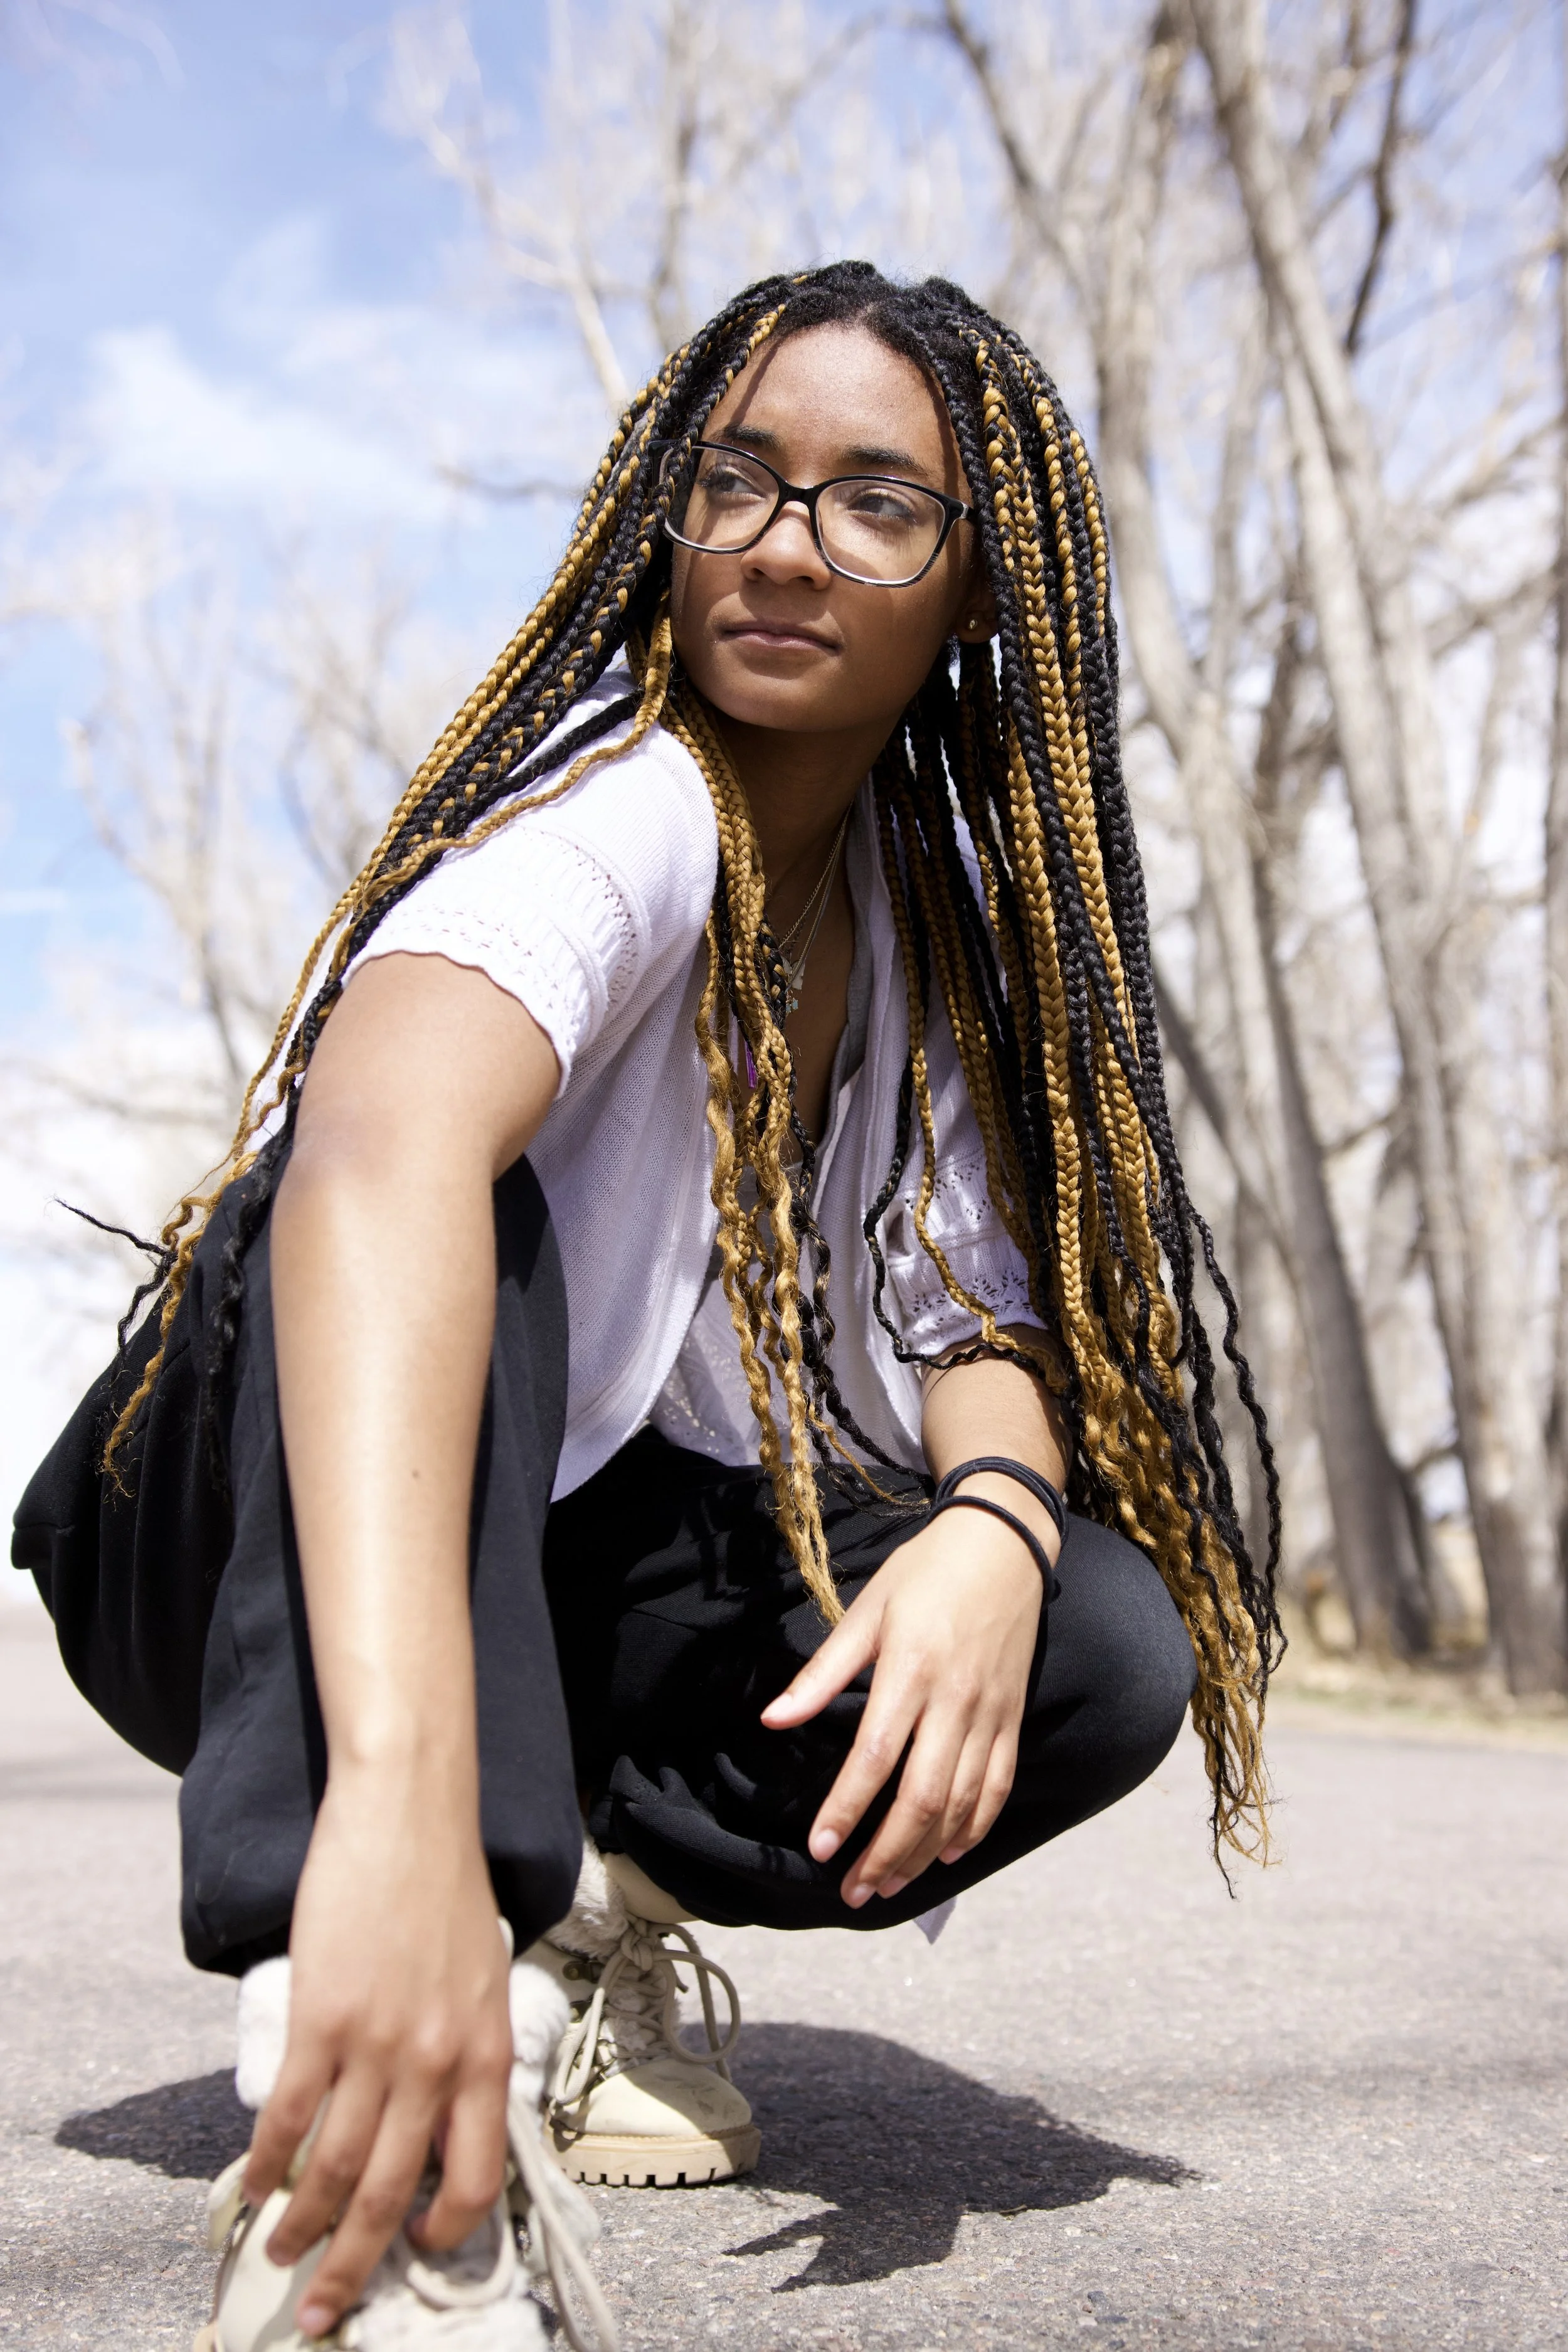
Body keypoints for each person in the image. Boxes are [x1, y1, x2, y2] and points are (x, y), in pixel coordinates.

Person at [14, 261, 1281, 2352]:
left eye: (878, 499)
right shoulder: (617, 811)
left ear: (976, 594)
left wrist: (989, 1522)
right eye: (741, 480)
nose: (788, 539)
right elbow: (376, 1158)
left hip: (569, 1552)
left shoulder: (924, 930)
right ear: (664, 516)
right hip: (237, 1526)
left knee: (1094, 1637)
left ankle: (568, 1909)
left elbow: (982, 1317)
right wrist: (408, 1812)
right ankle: (374, 2139)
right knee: (449, 1212)